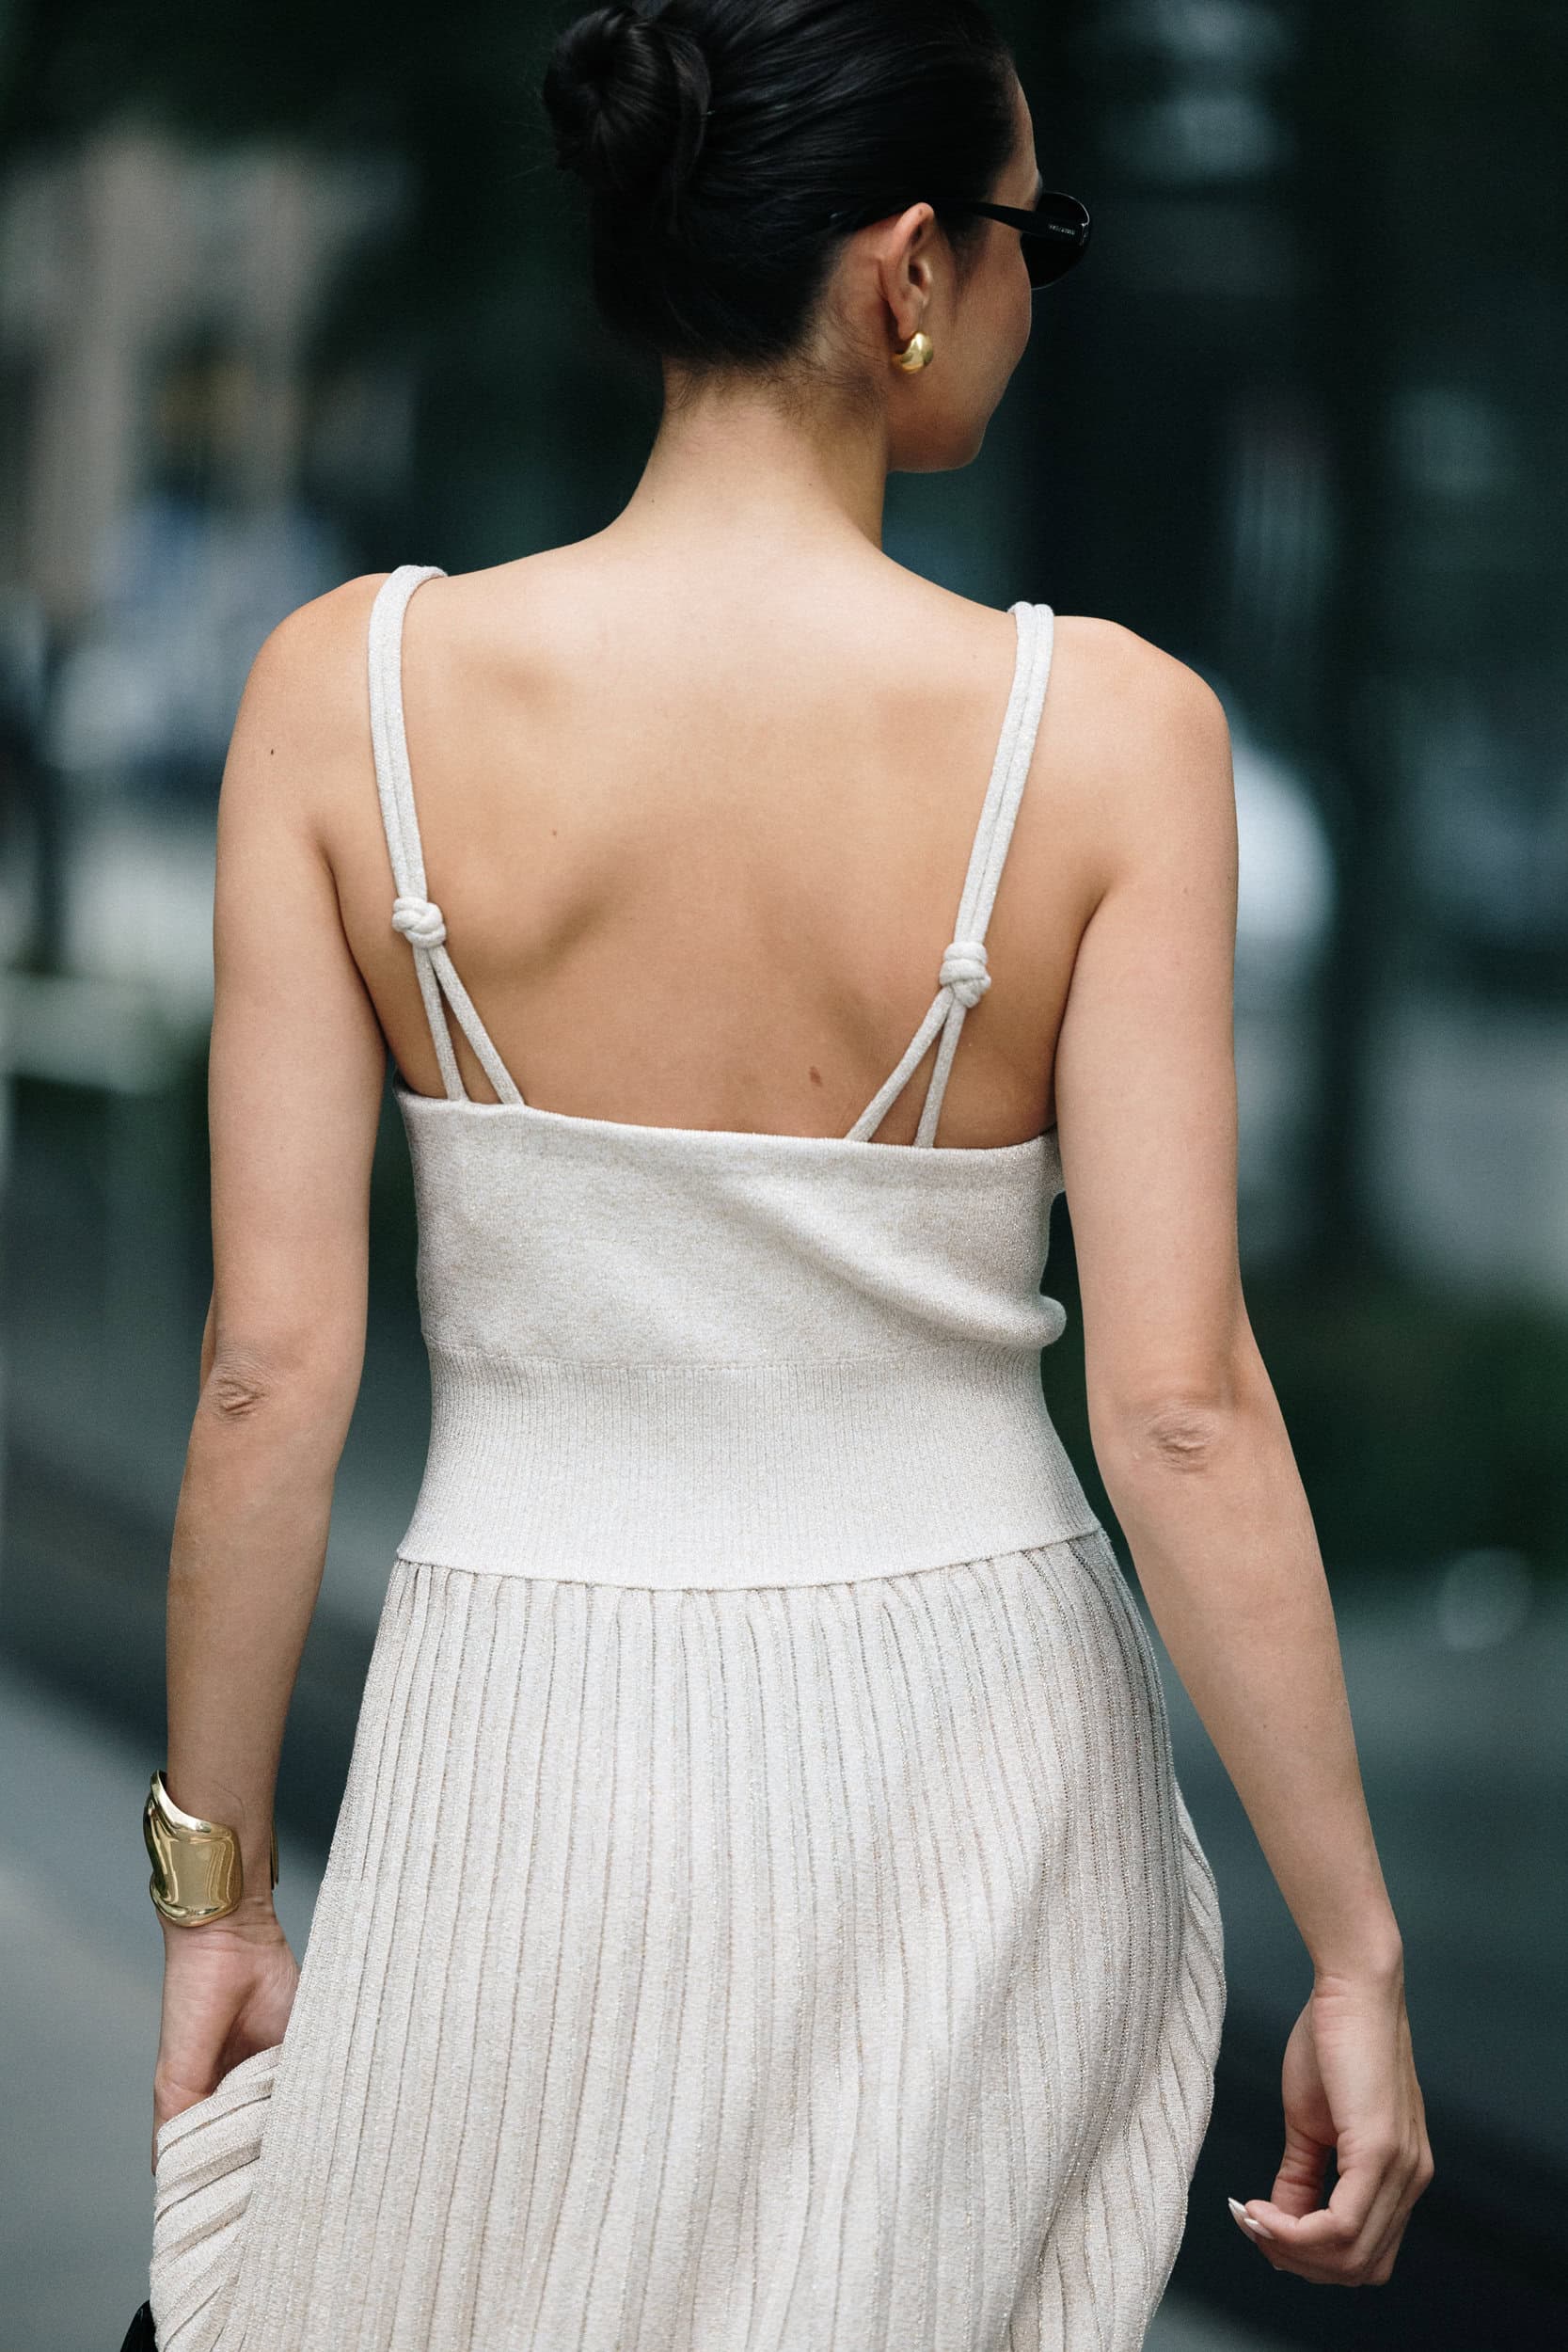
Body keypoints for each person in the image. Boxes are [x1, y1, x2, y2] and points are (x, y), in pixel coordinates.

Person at [135, 4, 1433, 2347]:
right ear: (912, 269)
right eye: (1038, 234)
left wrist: (213, 1895)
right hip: (966, 1746)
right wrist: (1352, 1947)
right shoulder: (1111, 737)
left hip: (520, 1712)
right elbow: (1179, 1407)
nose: (1038, 288)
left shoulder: (349, 696)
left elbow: (267, 1371)